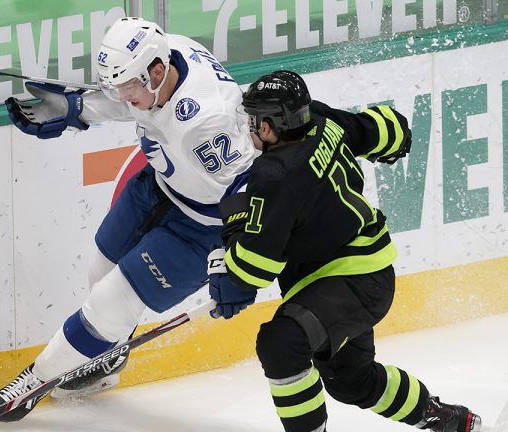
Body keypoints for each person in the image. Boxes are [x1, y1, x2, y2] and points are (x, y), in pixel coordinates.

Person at [0, 17, 257, 421]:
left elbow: (248, 194)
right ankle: (108, 361)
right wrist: (78, 108)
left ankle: (34, 382)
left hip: (204, 229)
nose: (123, 97)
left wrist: (239, 262)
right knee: (99, 271)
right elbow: (125, 98)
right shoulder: (168, 50)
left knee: (109, 302)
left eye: (128, 87)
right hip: (159, 186)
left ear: (157, 72)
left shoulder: (206, 123)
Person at [206, 70, 482, 432]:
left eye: (254, 120)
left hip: (351, 280)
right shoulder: (319, 120)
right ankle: (448, 419)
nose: (251, 127)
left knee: (281, 343)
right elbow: (382, 130)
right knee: (351, 381)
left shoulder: (274, 175)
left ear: (272, 125)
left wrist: (233, 234)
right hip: (361, 273)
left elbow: (251, 271)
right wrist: (396, 138)